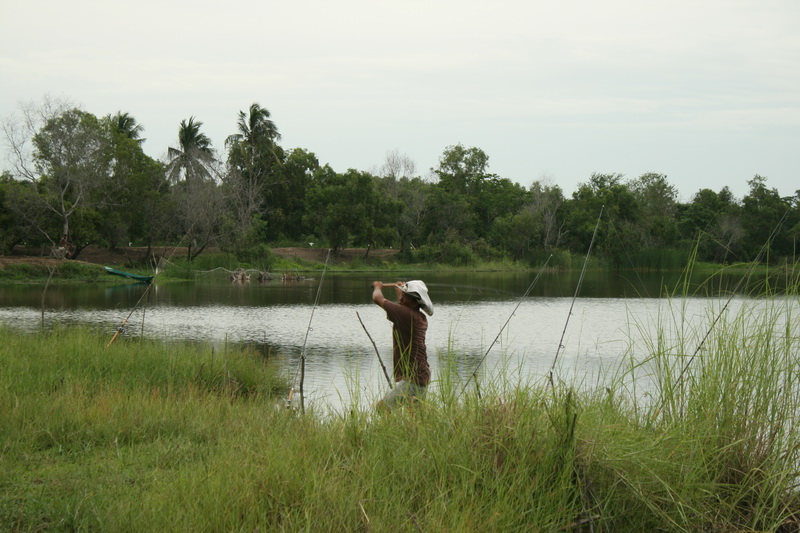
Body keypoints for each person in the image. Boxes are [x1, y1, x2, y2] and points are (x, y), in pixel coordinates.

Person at [371, 280, 434, 410]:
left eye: (405, 297)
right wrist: (400, 290)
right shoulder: (418, 316)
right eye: (402, 296)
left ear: (414, 302)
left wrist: (377, 286)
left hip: (414, 379)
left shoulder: (405, 315)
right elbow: (402, 303)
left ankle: (385, 430)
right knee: (415, 415)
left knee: (382, 408)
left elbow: (377, 298)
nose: (401, 299)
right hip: (421, 375)